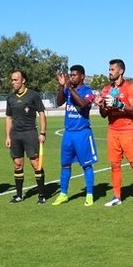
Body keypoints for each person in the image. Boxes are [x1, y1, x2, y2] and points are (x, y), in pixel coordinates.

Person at [97, 59, 133, 207]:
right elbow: (103, 115)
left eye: (112, 69)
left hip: (128, 131)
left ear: (121, 71)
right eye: (109, 69)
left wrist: (118, 104)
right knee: (114, 165)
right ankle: (117, 196)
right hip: (113, 131)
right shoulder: (106, 89)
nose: (110, 72)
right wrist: (101, 106)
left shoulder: (130, 87)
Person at [52, 65, 99, 206]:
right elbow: (59, 102)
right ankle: (63, 194)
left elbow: (83, 104)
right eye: (70, 75)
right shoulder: (67, 89)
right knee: (65, 164)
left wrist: (70, 88)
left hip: (82, 133)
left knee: (86, 165)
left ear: (82, 76)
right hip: (68, 134)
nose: (71, 77)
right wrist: (61, 86)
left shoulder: (88, 91)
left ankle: (89, 194)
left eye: (74, 75)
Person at [4, 70, 47, 204]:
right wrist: (8, 136)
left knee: (36, 164)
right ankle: (18, 195)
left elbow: (41, 114)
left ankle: (41, 195)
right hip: (15, 135)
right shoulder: (10, 98)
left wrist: (42, 133)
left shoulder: (33, 95)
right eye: (12, 80)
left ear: (23, 80)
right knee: (17, 165)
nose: (13, 82)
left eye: (15, 80)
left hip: (30, 133)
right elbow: (8, 118)